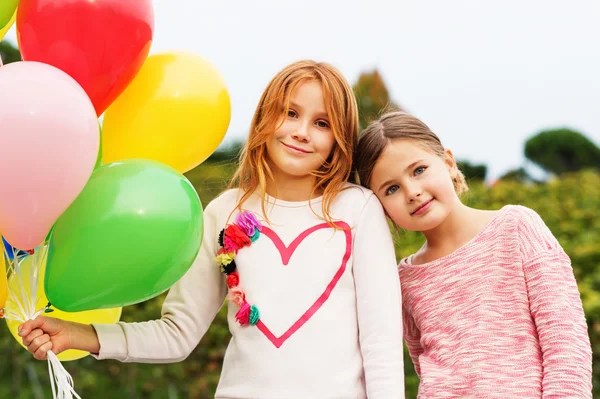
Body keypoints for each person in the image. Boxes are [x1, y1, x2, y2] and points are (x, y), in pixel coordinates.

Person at [19, 60, 405, 399]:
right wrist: (81, 335)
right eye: (289, 113)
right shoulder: (224, 212)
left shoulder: (357, 209)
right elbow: (177, 334)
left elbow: (381, 342)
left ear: (339, 138)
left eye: (321, 123)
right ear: (265, 118)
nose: (302, 131)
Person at [353, 110, 593, 398]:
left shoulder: (517, 228)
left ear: (449, 163)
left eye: (418, 170)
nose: (412, 192)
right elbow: (420, 363)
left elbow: (567, 346)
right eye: (391, 188)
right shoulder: (404, 279)